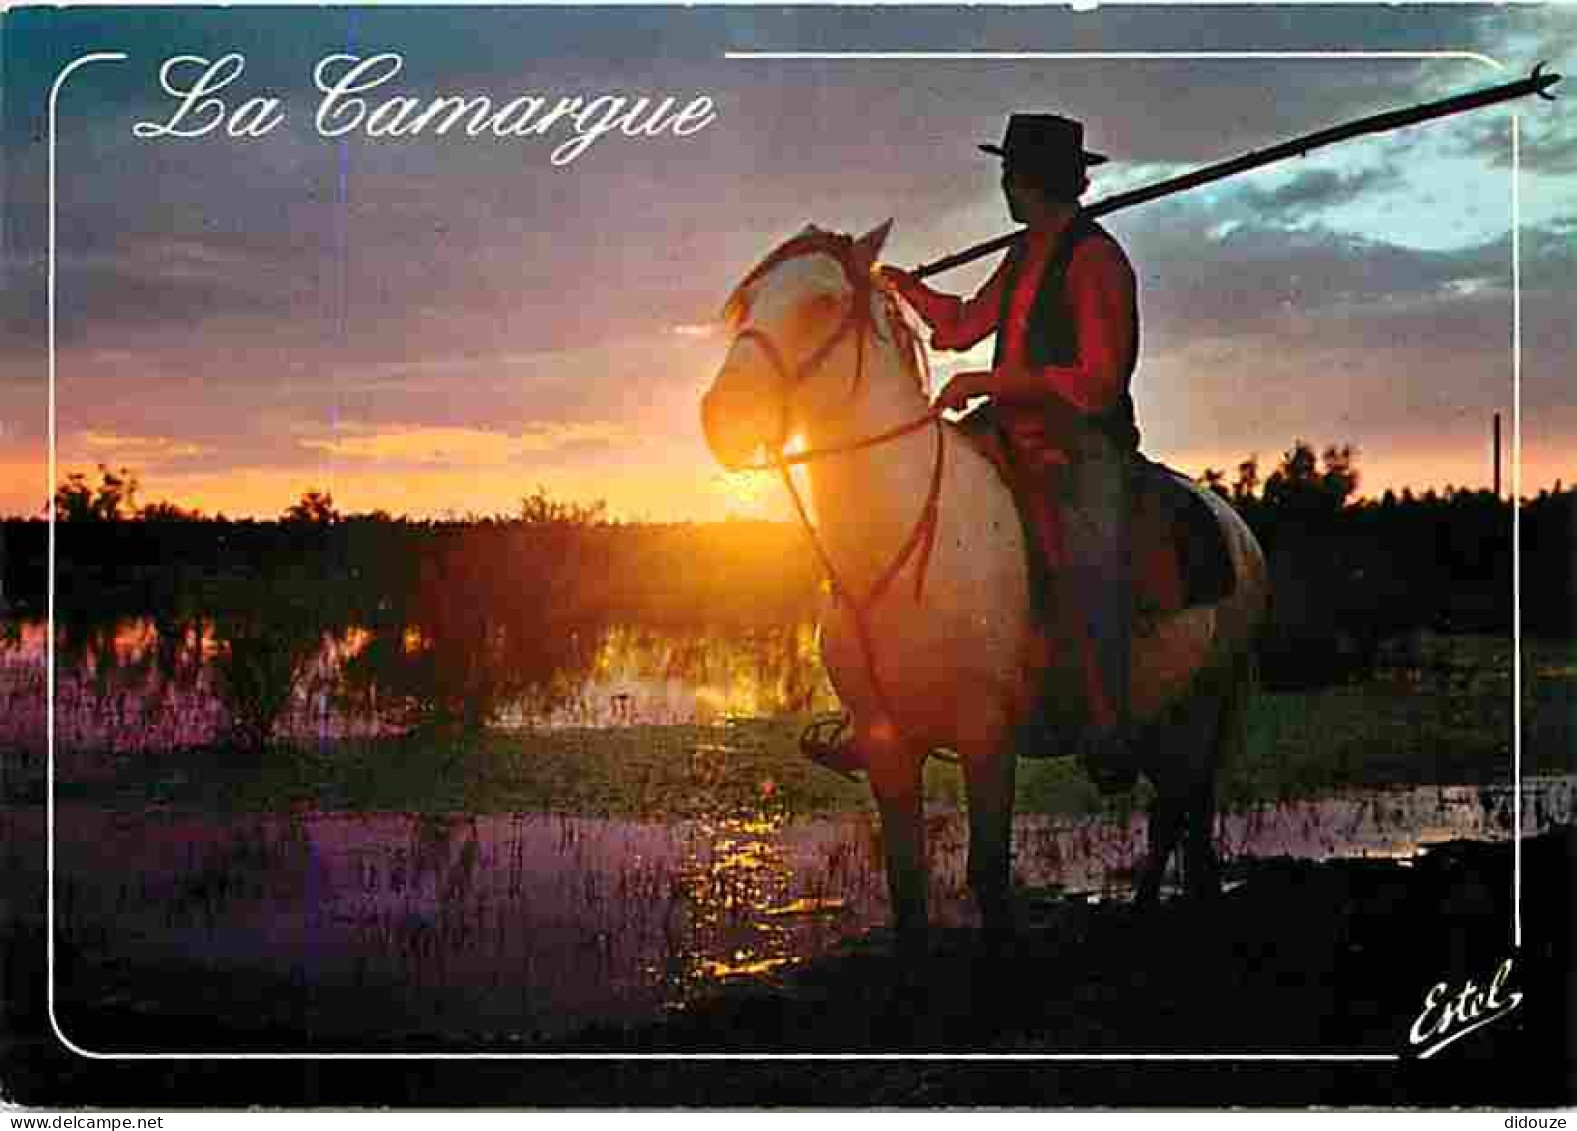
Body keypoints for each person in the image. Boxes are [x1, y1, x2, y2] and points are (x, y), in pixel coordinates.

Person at [880, 113, 1142, 792]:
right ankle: (895, 700)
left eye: (1011, 174)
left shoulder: (1096, 260)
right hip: (1006, 428)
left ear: (1037, 183)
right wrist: (908, 289)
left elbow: (1097, 380)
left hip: (1082, 441)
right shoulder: (1023, 253)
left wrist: (983, 382)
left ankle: (1108, 722)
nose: (1002, 185)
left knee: (1089, 562)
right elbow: (966, 323)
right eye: (1004, 173)